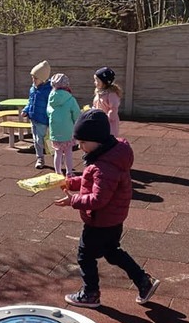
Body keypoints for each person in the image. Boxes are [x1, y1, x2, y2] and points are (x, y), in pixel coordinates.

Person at [55, 108, 160, 308]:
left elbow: (98, 199)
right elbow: (91, 180)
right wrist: (70, 182)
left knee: (85, 256)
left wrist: (73, 200)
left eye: (83, 142)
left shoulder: (104, 166)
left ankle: (90, 294)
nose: (80, 146)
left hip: (100, 220)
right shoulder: (109, 156)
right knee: (112, 252)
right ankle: (143, 281)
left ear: (98, 140)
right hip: (113, 219)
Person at [47, 73, 81, 178]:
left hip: (55, 131)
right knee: (68, 153)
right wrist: (76, 123)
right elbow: (76, 114)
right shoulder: (70, 99)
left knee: (57, 153)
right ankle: (69, 172)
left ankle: (57, 172)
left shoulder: (51, 98)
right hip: (68, 131)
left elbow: (48, 112)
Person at [22, 60, 52, 169]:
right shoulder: (33, 89)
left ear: (43, 79)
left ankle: (56, 157)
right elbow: (30, 101)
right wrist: (26, 110)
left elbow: (51, 106)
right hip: (33, 118)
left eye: (35, 78)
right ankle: (40, 158)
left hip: (43, 120)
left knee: (44, 140)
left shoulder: (48, 91)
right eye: (32, 78)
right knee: (36, 140)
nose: (33, 80)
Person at [92, 66, 122, 136]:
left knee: (108, 137)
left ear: (104, 82)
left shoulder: (111, 94)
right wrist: (91, 112)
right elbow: (95, 105)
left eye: (97, 80)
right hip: (99, 120)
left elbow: (113, 109)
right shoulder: (99, 93)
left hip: (109, 123)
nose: (95, 82)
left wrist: (106, 119)